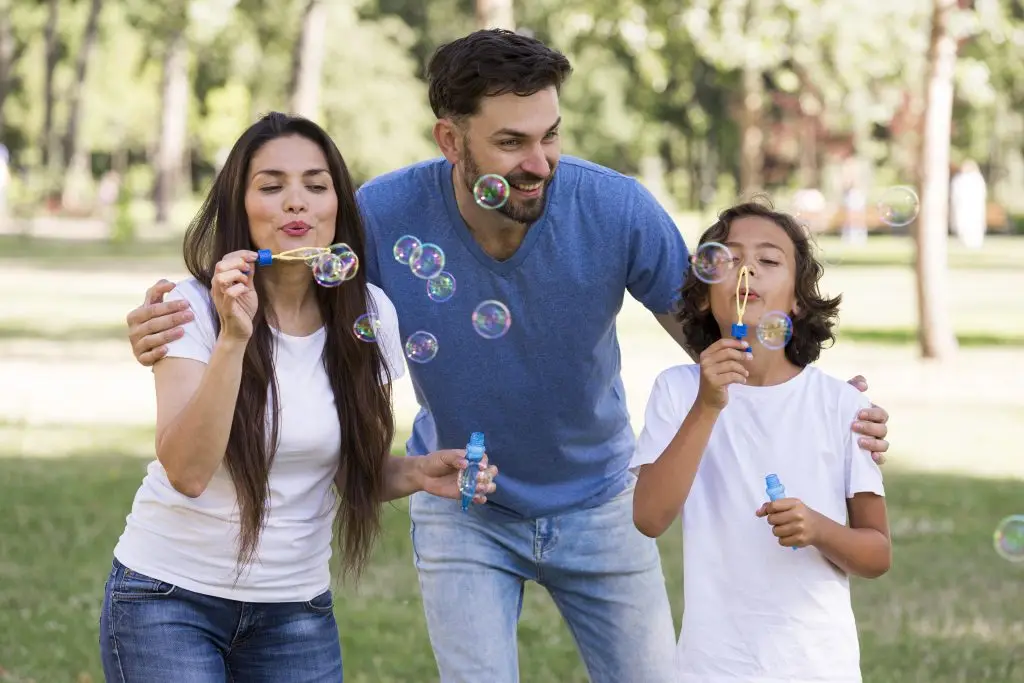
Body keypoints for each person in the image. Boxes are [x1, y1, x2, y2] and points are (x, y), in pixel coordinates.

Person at [123, 30, 891, 683]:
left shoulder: (615, 208)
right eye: (512, 142)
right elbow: (288, 272)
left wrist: (818, 395)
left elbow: (717, 329)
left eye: (551, 134)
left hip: (600, 500)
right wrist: (171, 321)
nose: (540, 162)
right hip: (463, 501)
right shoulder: (384, 216)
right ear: (450, 140)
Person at [100, 112, 498, 683]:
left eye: (316, 185)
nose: (297, 203)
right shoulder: (190, 306)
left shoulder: (370, 314)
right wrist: (235, 338)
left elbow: (343, 471)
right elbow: (187, 470)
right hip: (168, 599)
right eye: (272, 186)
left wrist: (415, 473)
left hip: (295, 612)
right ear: (240, 205)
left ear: (337, 205)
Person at [632, 200, 891, 682]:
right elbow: (649, 518)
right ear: (706, 295)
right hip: (713, 666)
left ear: (797, 301)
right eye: (728, 258)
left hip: (818, 666)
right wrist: (708, 403)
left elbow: (877, 554)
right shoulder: (679, 390)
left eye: (768, 260)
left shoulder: (841, 406)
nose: (747, 267)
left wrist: (818, 528)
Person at [950, 159, 987, 249]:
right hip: (962, 207)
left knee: (973, 223)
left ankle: (974, 242)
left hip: (972, 207)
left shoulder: (976, 178)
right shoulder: (959, 179)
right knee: (963, 223)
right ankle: (965, 241)